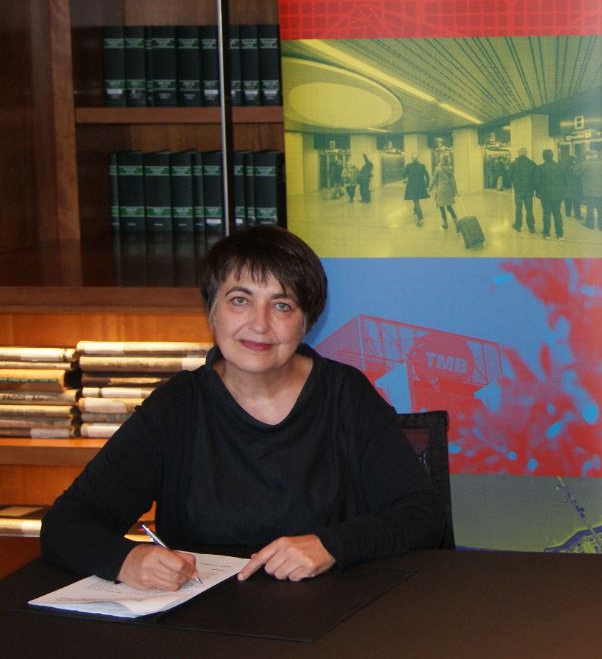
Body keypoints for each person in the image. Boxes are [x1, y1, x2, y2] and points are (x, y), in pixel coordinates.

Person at [41, 225, 447, 590]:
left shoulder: (345, 394)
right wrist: (127, 560)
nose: (260, 324)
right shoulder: (177, 406)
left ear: (307, 323)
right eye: (240, 300)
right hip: (203, 621)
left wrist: (332, 545)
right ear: (211, 312)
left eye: (282, 305)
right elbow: (66, 524)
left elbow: (421, 514)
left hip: (331, 617)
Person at [534, 149, 566, 240]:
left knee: (546, 213)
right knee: (557, 213)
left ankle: (547, 233)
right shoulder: (559, 167)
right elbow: (565, 180)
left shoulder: (540, 168)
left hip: (545, 194)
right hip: (558, 194)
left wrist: (537, 191)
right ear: (552, 156)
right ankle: (560, 234)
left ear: (543, 157)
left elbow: (537, 182)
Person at [580, 149, 602, 231]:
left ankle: (590, 224)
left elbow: (576, 173)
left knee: (590, 208)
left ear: (589, 156)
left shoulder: (584, 164)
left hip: (589, 191)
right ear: (596, 155)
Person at [509, 147, 537, 235]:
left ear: (518, 153)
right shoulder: (532, 163)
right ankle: (531, 228)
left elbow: (510, 175)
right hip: (529, 191)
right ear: (526, 154)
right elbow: (535, 177)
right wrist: (533, 187)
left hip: (518, 190)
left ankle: (518, 226)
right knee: (529, 209)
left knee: (518, 209)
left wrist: (515, 183)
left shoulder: (514, 163)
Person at [402, 154, 431, 227]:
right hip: (421, 186)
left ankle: (420, 218)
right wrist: (427, 185)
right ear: (417, 159)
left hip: (412, 186)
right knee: (416, 200)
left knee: (416, 201)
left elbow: (403, 175)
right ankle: (415, 211)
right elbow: (427, 176)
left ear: (412, 159)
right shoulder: (422, 166)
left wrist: (406, 175)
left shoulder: (408, 166)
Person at [432, 158, 458, 232]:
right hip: (448, 190)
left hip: (441, 190)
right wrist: (455, 191)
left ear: (441, 161)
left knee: (441, 206)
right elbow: (453, 180)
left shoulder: (437, 169)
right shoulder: (450, 168)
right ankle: (456, 221)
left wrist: (429, 188)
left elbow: (433, 180)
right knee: (449, 207)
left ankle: (445, 223)